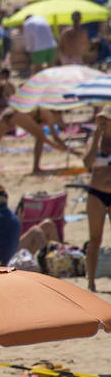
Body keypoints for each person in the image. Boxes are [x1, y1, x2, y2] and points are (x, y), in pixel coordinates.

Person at [0, 80, 70, 175]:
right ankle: (36, 167)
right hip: (15, 117)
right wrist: (61, 148)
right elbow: (50, 137)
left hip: (6, 118)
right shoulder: (43, 110)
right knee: (40, 136)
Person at [82, 109, 111, 290]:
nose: (103, 122)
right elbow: (87, 164)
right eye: (100, 119)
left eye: (106, 119)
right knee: (95, 238)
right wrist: (96, 140)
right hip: (96, 192)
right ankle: (91, 281)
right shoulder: (93, 141)